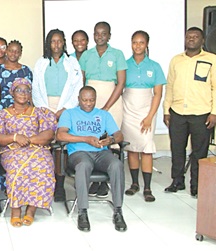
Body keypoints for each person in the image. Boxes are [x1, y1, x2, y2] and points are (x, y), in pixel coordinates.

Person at [56, 86, 127, 232]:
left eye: (92, 100)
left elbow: (119, 135)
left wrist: (111, 140)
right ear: (78, 99)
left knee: (116, 164)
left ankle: (118, 210)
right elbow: (60, 135)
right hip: (79, 153)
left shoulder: (103, 115)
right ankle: (83, 212)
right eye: (85, 100)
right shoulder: (69, 114)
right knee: (83, 165)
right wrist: (85, 139)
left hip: (101, 153)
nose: (88, 103)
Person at [163, 27, 216, 197]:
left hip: (202, 113)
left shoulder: (213, 60)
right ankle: (177, 181)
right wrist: (167, 110)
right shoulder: (176, 60)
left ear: (202, 41)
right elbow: (170, 86)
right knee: (177, 149)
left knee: (199, 152)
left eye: (195, 37)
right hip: (177, 112)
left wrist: (215, 112)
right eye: (188, 36)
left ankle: (196, 184)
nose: (191, 39)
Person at [0, 78, 57, 227]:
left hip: (37, 148)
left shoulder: (40, 113)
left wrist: (30, 140)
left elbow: (48, 134)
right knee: (16, 168)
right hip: (12, 150)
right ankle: (15, 209)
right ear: (12, 93)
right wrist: (15, 137)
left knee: (44, 166)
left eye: (27, 90)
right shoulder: (2, 115)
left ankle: (31, 209)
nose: (23, 93)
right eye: (19, 90)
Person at [32, 29, 82, 202]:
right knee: (46, 145)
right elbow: (36, 88)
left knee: (61, 147)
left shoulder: (72, 62)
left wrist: (64, 109)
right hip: (45, 107)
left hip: (65, 107)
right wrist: (46, 111)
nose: (56, 45)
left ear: (64, 43)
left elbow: (77, 88)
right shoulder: (41, 63)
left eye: (59, 41)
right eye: (53, 41)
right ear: (48, 43)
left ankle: (59, 187)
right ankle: (45, 183)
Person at [79, 21, 127, 197]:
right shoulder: (86, 55)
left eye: (103, 33)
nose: (100, 36)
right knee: (92, 137)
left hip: (111, 99)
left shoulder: (117, 54)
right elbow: (82, 81)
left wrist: (106, 106)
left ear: (109, 36)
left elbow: (121, 82)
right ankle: (93, 181)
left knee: (109, 140)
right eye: (97, 33)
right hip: (89, 99)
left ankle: (104, 183)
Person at [122, 31, 166, 202]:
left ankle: (147, 187)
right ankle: (134, 184)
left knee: (146, 148)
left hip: (147, 110)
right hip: (128, 109)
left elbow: (157, 94)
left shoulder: (154, 66)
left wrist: (149, 116)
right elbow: (120, 89)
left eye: (141, 42)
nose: (138, 46)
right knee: (132, 147)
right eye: (134, 42)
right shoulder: (125, 65)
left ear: (147, 44)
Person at [0, 40, 33, 112]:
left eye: (17, 52)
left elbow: (30, 93)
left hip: (24, 108)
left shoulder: (26, 70)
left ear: (20, 54)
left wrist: (33, 110)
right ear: (6, 52)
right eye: (11, 51)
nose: (13, 54)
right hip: (5, 108)